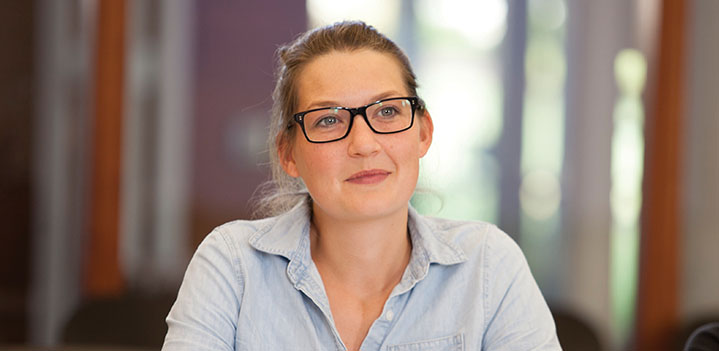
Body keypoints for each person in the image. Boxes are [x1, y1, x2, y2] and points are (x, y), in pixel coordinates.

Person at [162, 21, 560, 351]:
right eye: (328, 120)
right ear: (288, 154)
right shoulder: (232, 266)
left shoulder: (488, 267)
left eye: (387, 112)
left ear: (423, 133)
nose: (364, 144)